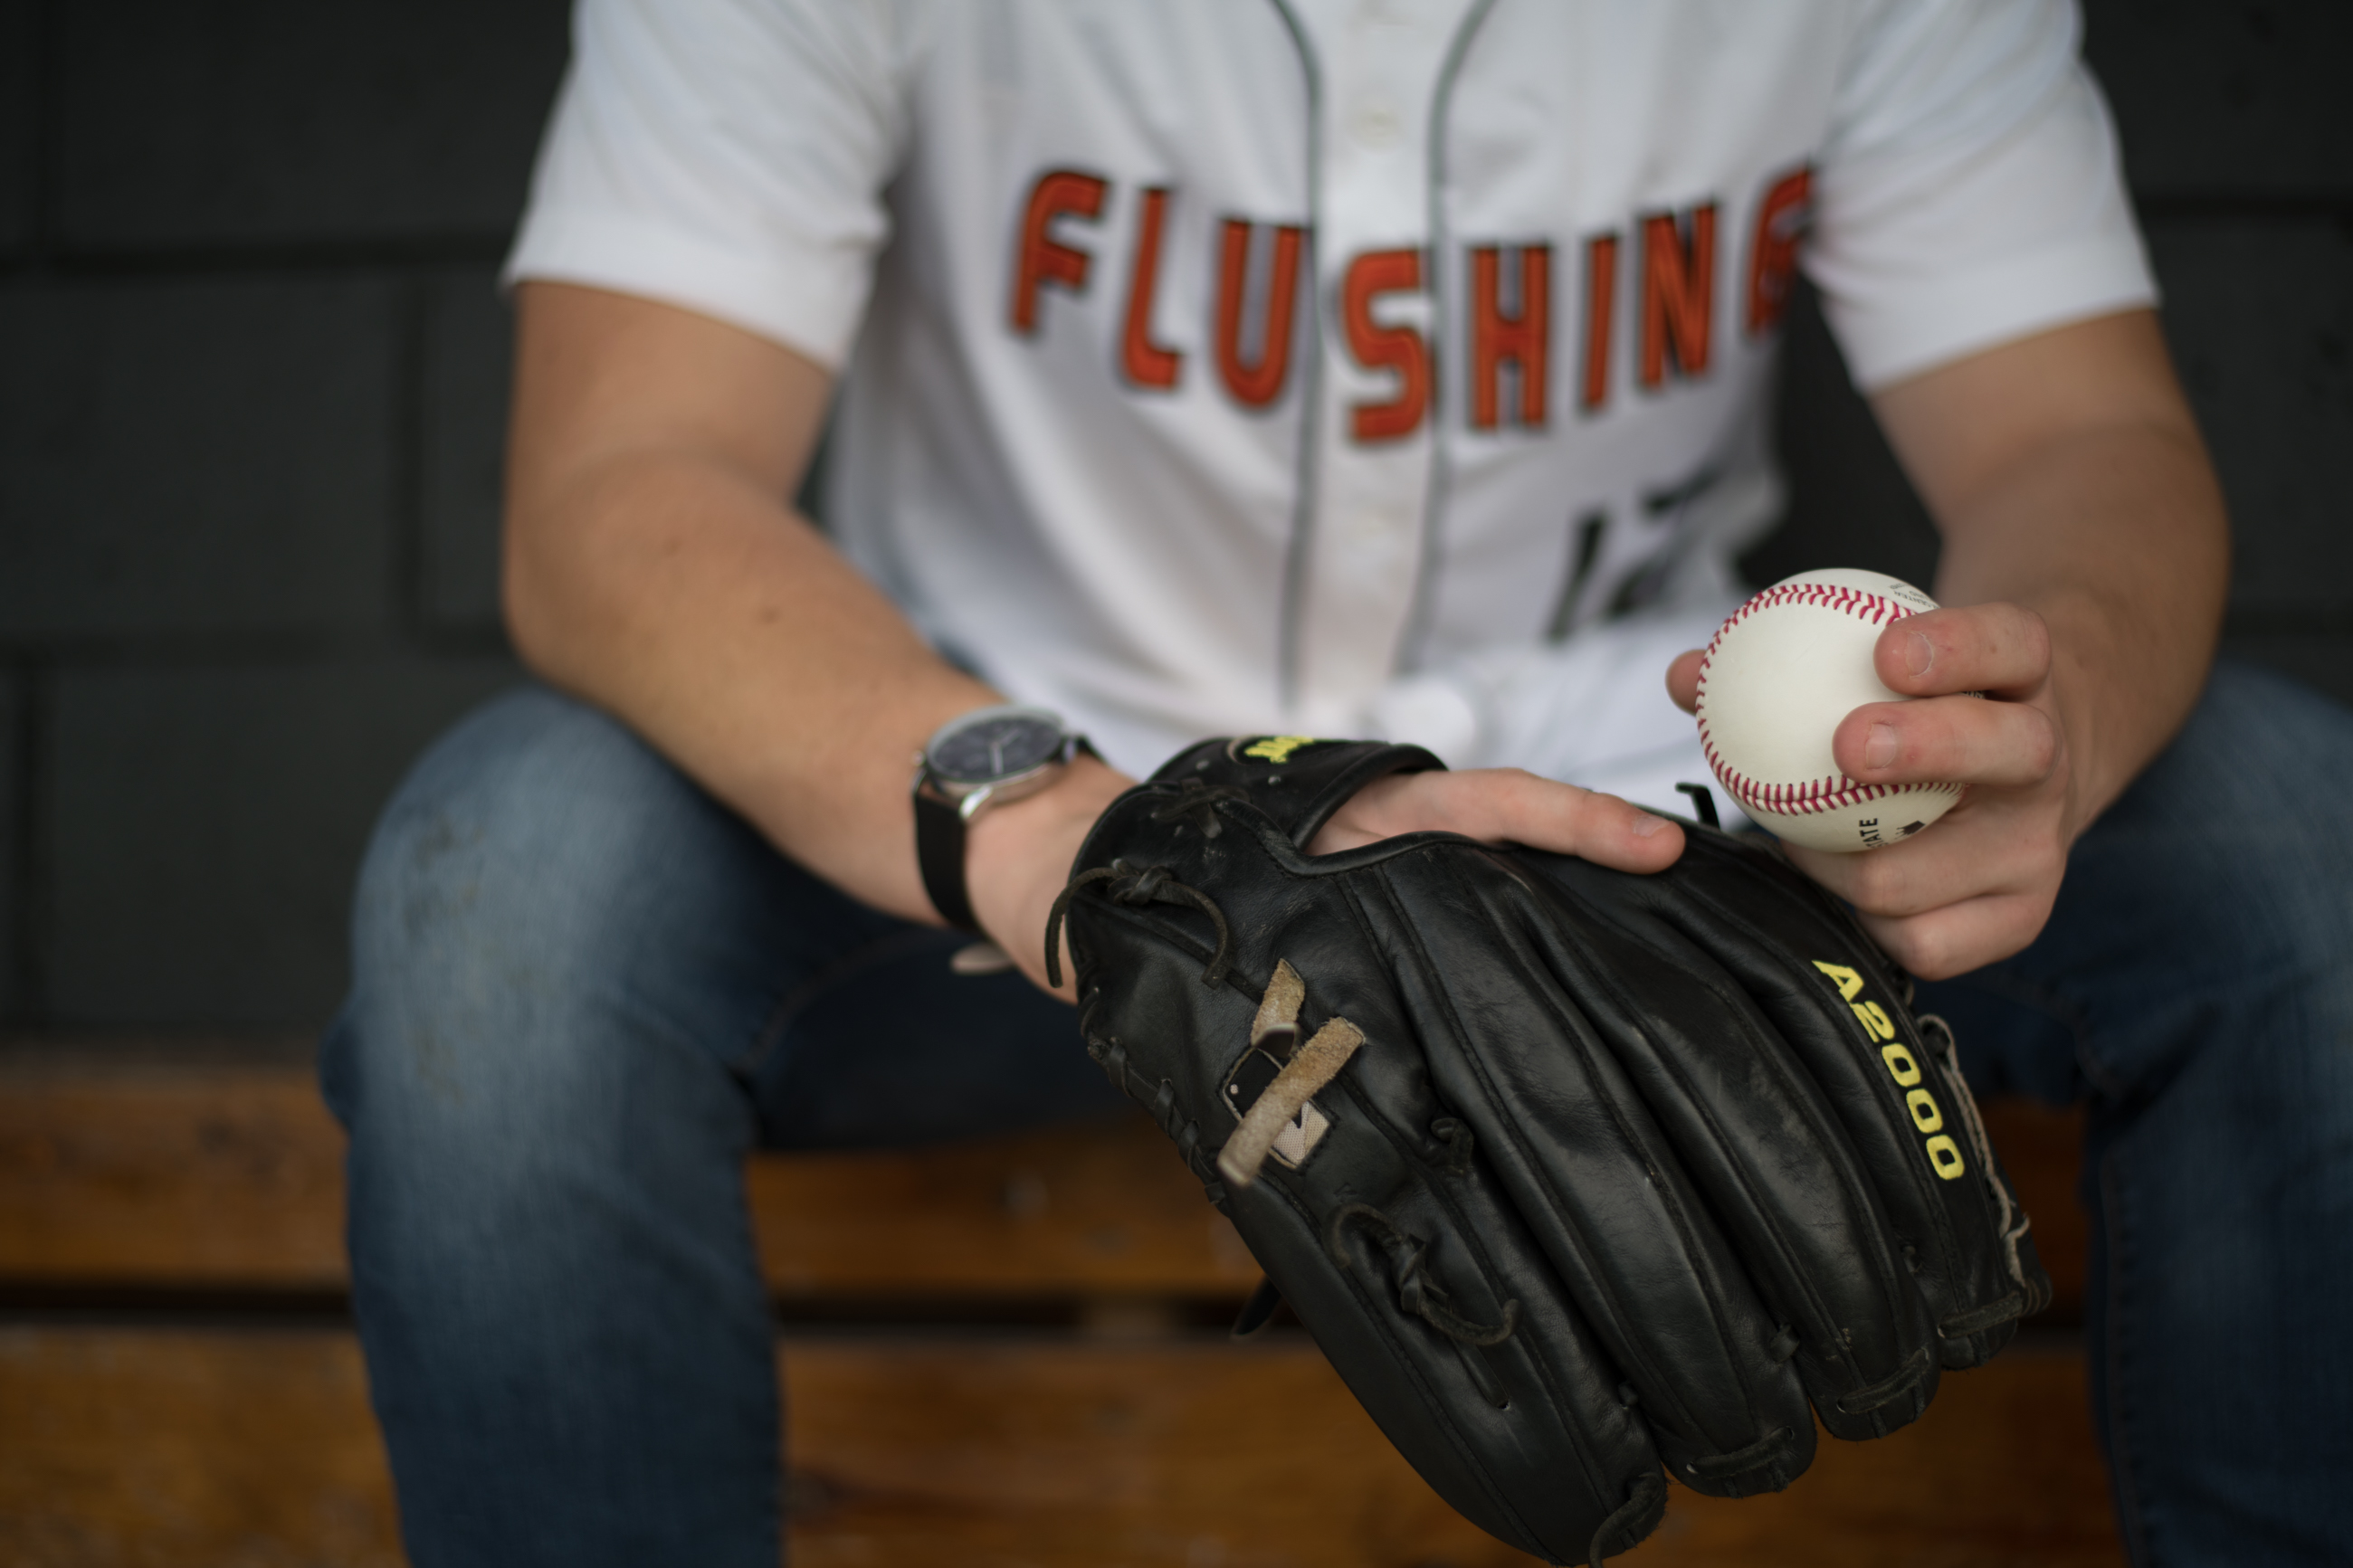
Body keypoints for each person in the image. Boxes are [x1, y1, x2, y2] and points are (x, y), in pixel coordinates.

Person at [323, 3, 2353, 1563]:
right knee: (517, 884)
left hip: (1621, 826)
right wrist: (1102, 859)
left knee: (2279, 826)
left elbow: (2080, 439)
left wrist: (2038, 709)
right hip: (1028, 833)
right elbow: (618, 487)